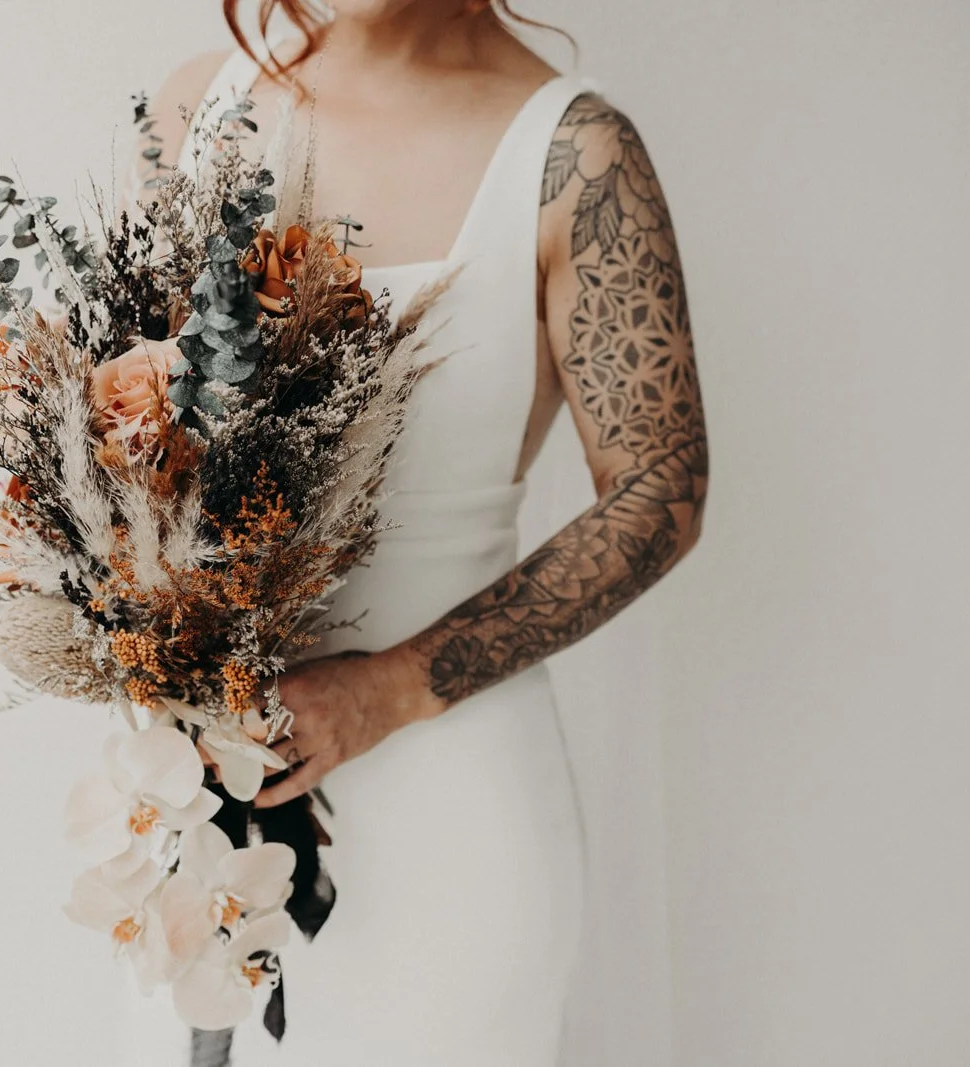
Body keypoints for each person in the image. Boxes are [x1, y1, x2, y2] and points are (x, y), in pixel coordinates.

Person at [125, 1, 708, 1062]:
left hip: (452, 787)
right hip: (200, 794)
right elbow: (129, 424)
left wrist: (382, 691)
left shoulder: (575, 158)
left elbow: (658, 494)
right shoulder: (193, 108)